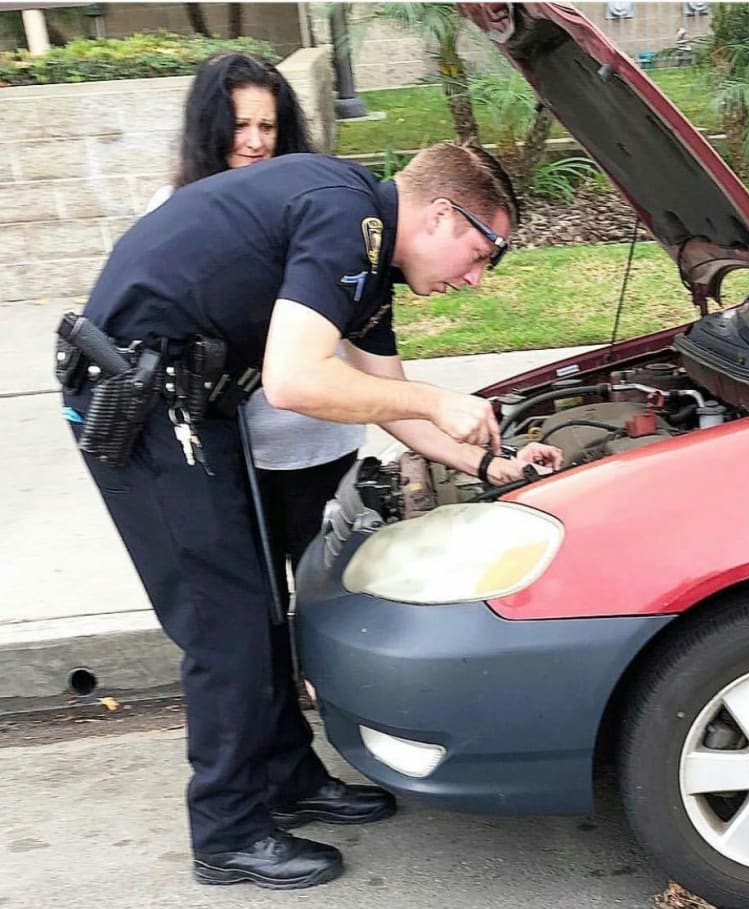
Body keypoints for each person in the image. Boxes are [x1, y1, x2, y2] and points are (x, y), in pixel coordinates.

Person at [59, 141, 562, 890]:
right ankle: (227, 831)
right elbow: (297, 379)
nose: (478, 277)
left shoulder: (369, 260)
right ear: (439, 212)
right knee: (222, 621)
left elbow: (389, 398)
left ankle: (288, 779)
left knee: (262, 603)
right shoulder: (344, 215)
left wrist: (493, 466)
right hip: (139, 407)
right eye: (483, 250)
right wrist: (434, 398)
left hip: (193, 403)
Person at [146, 51, 364, 607]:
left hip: (321, 444)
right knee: (256, 607)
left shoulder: (314, 208)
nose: (254, 141)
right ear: (210, 129)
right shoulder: (174, 214)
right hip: (232, 455)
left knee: (330, 602)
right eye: (239, 125)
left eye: (267, 126)